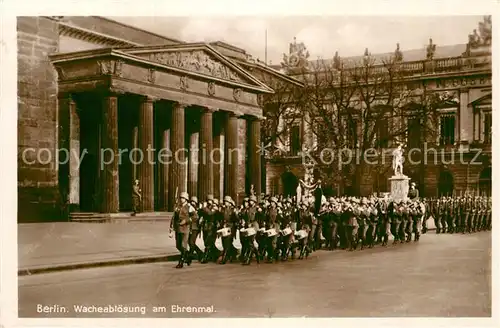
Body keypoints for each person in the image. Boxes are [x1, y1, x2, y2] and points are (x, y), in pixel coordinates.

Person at [170, 191, 193, 269]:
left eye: (183, 198)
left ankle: (181, 262)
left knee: (183, 245)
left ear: (186, 199)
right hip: (178, 228)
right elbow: (173, 218)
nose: (181, 199)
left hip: (185, 228)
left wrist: (186, 220)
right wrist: (171, 228)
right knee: (178, 245)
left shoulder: (189, 207)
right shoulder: (178, 207)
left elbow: (195, 216)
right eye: (181, 198)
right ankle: (188, 257)